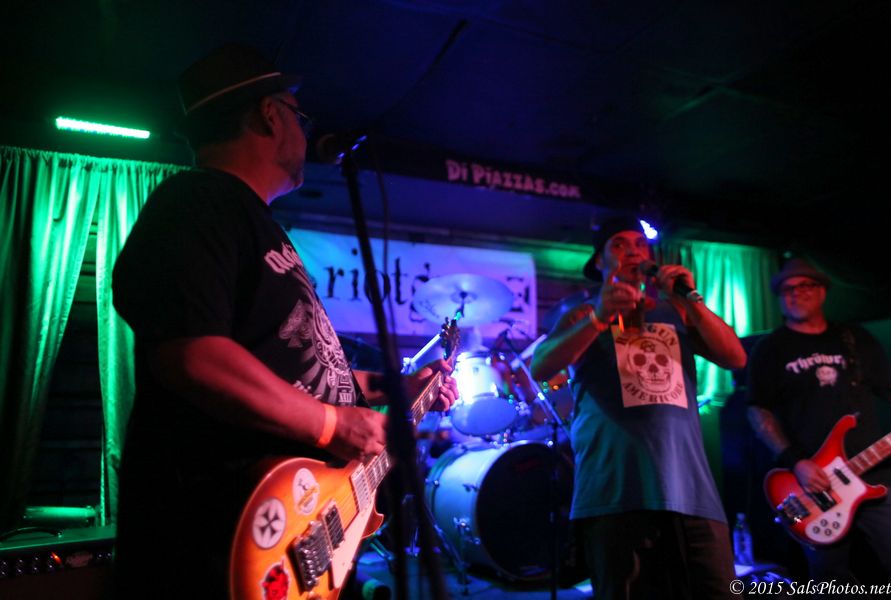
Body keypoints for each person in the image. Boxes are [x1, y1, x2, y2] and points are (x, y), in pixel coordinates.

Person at [111, 44, 457, 598]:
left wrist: (396, 387)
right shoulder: (196, 201)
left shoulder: (260, 225)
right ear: (270, 115)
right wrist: (333, 425)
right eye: (300, 115)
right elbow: (193, 356)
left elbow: (298, 367)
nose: (304, 129)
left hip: (302, 519)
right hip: (224, 528)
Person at [530, 216, 747, 599]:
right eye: (619, 244)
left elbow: (736, 358)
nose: (633, 251)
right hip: (616, 492)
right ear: (599, 262)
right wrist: (599, 316)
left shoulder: (677, 312)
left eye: (640, 244)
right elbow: (541, 367)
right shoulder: (583, 314)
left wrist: (691, 299)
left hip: (690, 490)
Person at [746, 258, 891, 591]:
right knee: (830, 582)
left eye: (805, 285)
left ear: (822, 292)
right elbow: (759, 413)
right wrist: (795, 462)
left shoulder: (854, 339)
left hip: (877, 476)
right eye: (787, 289)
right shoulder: (770, 349)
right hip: (814, 485)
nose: (796, 293)